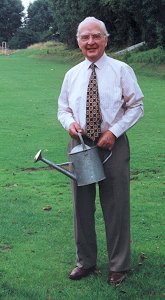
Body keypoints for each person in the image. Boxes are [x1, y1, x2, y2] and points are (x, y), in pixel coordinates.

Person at [57, 16, 144, 285]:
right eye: (85, 37)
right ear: (79, 42)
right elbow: (63, 108)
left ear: (106, 39)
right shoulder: (71, 74)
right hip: (80, 145)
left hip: (113, 145)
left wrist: (114, 132)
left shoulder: (121, 70)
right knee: (81, 206)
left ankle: (119, 265)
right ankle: (85, 261)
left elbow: (137, 106)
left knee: (116, 204)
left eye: (96, 36)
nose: (90, 41)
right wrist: (70, 124)